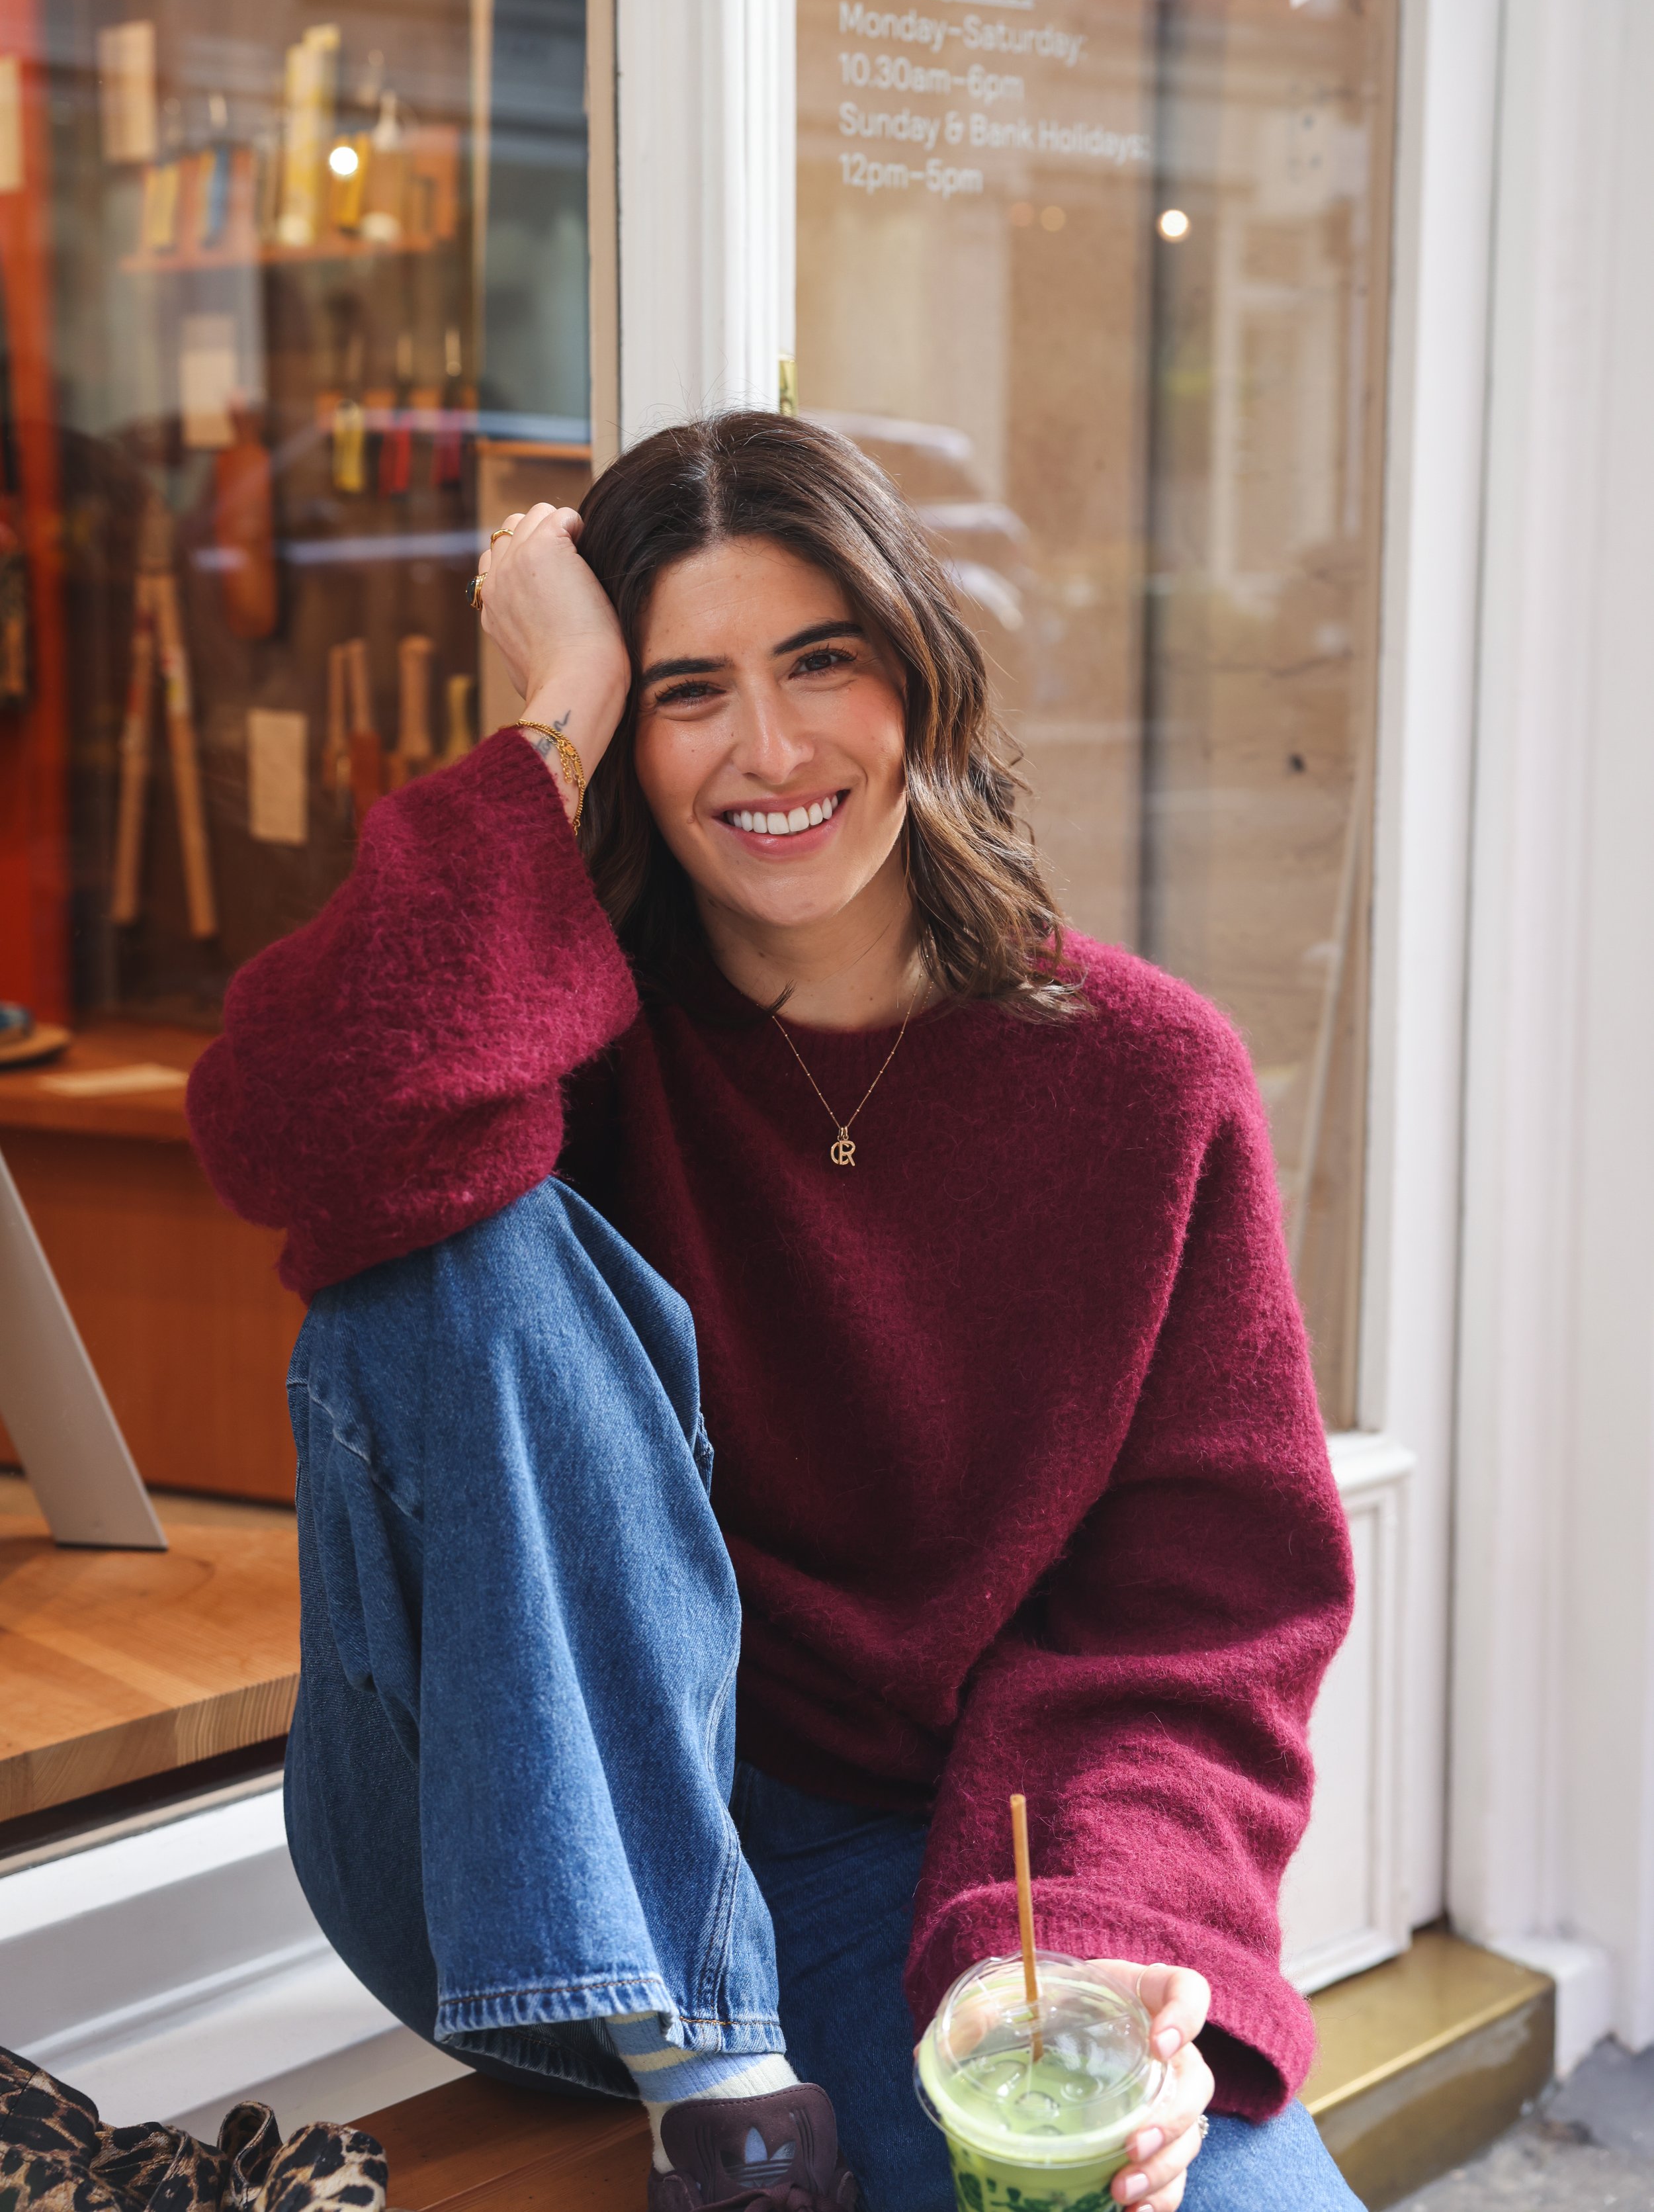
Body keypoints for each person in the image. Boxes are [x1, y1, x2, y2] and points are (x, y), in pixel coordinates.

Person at [188, 413, 1361, 2212]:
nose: (769, 746)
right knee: (448, 1228)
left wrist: (1074, 1938)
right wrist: (548, 710)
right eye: (683, 691)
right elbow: (305, 1123)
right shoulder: (537, 1024)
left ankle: (777, 2090)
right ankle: (720, 2091)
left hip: (943, 1848)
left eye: (823, 661)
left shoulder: (1142, 1081)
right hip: (516, 1835)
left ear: (921, 675)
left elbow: (1194, 1617)